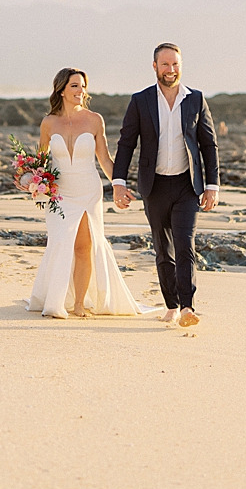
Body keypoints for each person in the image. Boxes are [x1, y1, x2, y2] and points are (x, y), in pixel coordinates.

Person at [24, 67, 154, 319]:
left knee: (84, 246)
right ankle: (56, 300)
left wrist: (119, 184)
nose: (80, 91)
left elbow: (104, 159)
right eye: (74, 86)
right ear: (61, 90)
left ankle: (80, 303)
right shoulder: (48, 123)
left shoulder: (95, 119)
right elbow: (40, 162)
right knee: (61, 243)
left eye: (83, 86)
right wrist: (29, 179)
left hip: (87, 190)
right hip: (59, 194)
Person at [111, 42, 220, 327]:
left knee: (185, 245)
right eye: (165, 65)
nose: (171, 70)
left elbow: (209, 145)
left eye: (175, 65)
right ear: (155, 67)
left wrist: (213, 185)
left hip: (187, 186)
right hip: (155, 185)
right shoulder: (141, 100)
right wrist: (118, 183)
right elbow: (126, 143)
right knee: (163, 249)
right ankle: (170, 304)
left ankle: (187, 306)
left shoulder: (195, 99)